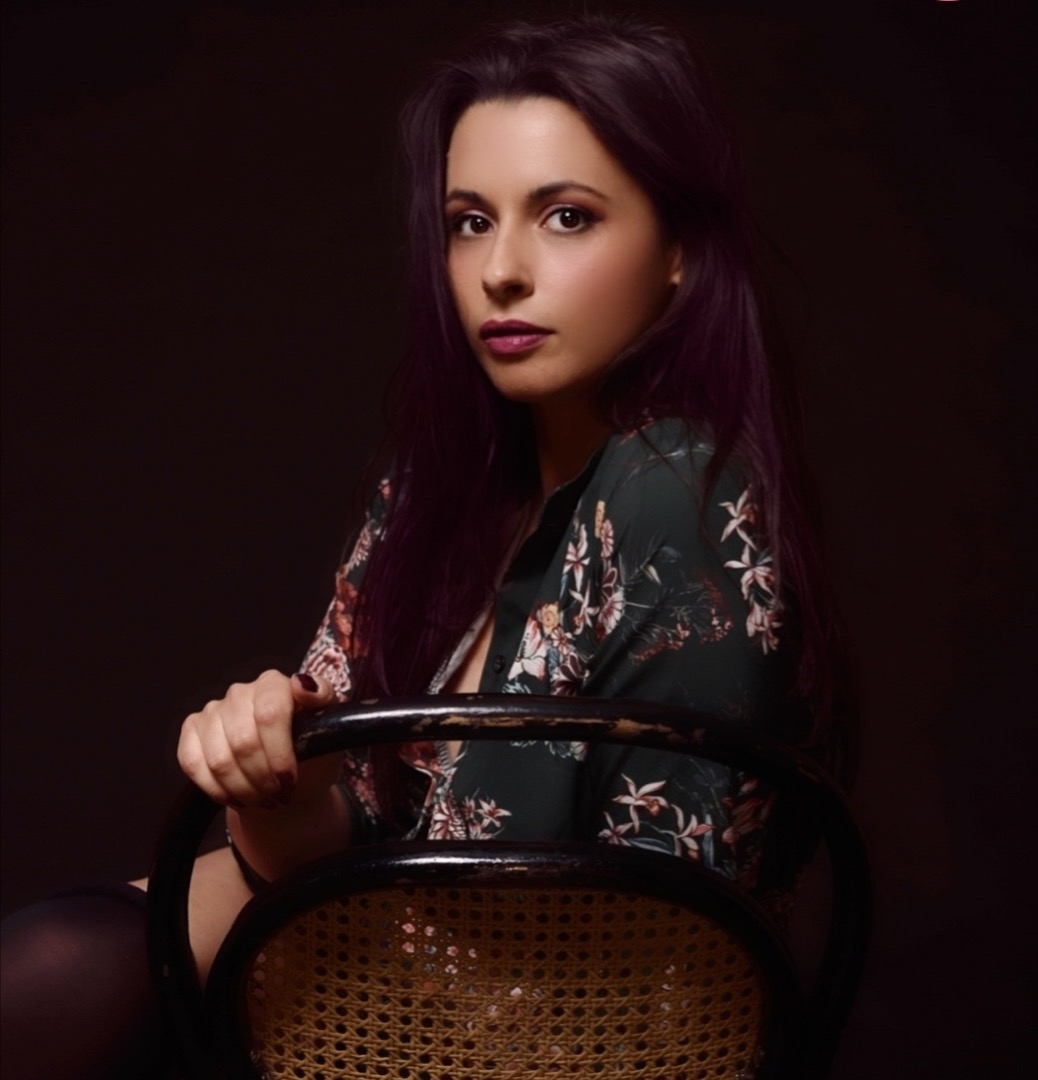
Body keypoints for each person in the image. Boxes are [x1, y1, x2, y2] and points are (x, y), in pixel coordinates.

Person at [1, 14, 847, 1079]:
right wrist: (275, 774)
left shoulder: (676, 491)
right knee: (69, 961)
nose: (502, 271)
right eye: (469, 222)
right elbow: (331, 840)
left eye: (568, 217)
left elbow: (641, 953)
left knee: (77, 975)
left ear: (678, 248)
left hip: (529, 1035)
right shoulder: (441, 487)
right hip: (374, 977)